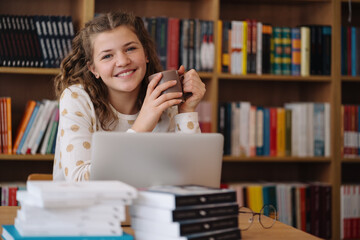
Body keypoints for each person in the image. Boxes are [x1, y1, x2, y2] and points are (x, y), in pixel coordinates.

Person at [52, 12, 206, 181]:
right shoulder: (76, 98)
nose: (123, 61)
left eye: (130, 49)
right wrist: (141, 127)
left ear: (146, 54)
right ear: (93, 69)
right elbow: (79, 180)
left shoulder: (163, 99)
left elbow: (192, 178)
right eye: (107, 56)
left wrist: (186, 110)